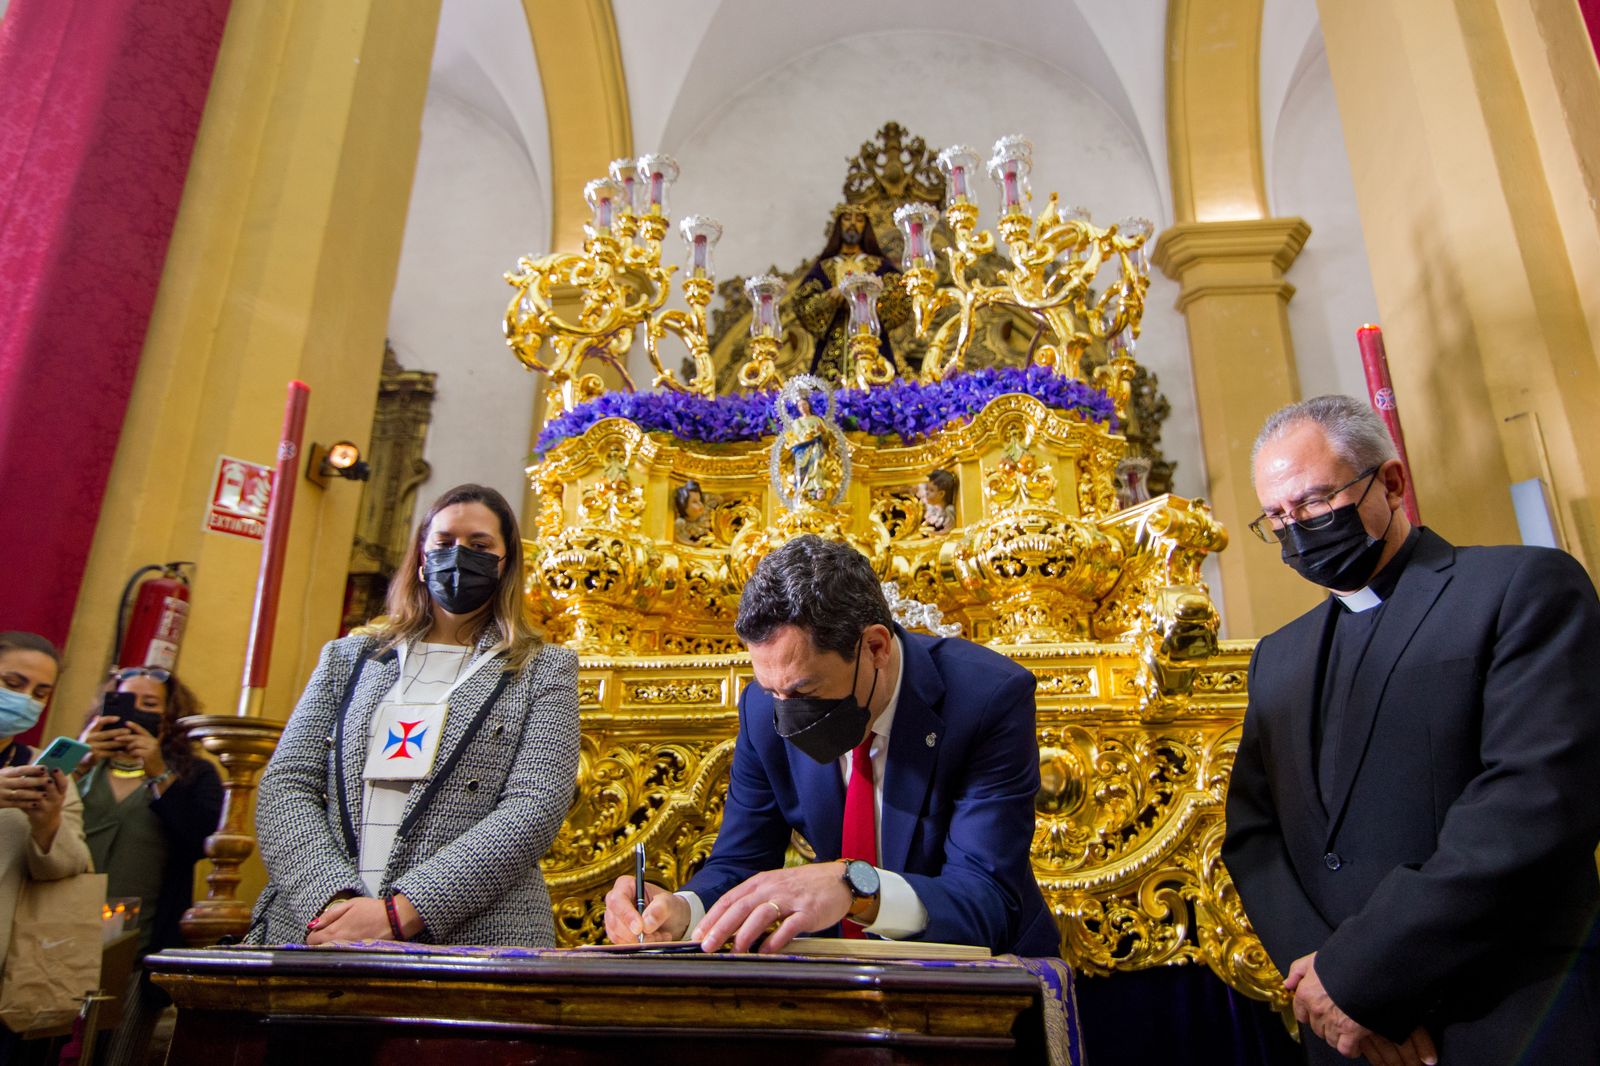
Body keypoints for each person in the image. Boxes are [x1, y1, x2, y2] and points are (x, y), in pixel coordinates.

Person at [1222, 395, 1600, 1066]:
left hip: (1503, 1014)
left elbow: (1533, 803)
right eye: (1276, 517)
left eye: (1314, 502)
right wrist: (1328, 986)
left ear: (1391, 484)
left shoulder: (1520, 589)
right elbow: (1254, 835)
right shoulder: (1278, 656)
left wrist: (1363, 976)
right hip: (1349, 1038)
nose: (1296, 530)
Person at [603, 535, 1059, 956]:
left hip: (987, 973)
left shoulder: (986, 699)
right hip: (837, 974)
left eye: (804, 691)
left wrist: (856, 888)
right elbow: (741, 862)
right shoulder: (762, 711)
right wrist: (681, 911)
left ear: (876, 648)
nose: (786, 714)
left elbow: (986, 903)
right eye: (772, 691)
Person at [250, 483, 581, 947]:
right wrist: (333, 904)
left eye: (480, 545)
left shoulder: (544, 669)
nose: (459, 556)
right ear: (422, 559)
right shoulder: (348, 658)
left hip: (474, 932)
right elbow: (287, 783)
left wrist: (401, 913)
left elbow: (534, 807)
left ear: (506, 565)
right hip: (324, 927)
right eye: (444, 542)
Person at [76, 666, 222, 1066]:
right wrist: (82, 757)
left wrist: (158, 770)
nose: (135, 712)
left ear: (170, 715)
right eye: (125, 701)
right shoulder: (80, 764)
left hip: (138, 950)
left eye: (150, 704)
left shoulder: (194, 774)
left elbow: (201, 838)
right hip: (60, 938)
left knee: (120, 1055)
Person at [0, 633, 91, 1056]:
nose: (25, 700)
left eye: (40, 692)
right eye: (12, 684)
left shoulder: (39, 769)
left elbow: (72, 867)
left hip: (9, 972)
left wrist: (48, 823)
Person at [794, 205, 910, 382]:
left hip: (874, 344)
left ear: (866, 227)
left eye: (859, 220)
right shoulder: (825, 267)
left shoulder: (879, 265)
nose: (852, 224)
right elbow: (803, 303)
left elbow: (901, 295)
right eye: (847, 218)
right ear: (839, 224)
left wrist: (870, 298)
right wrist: (831, 298)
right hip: (832, 352)